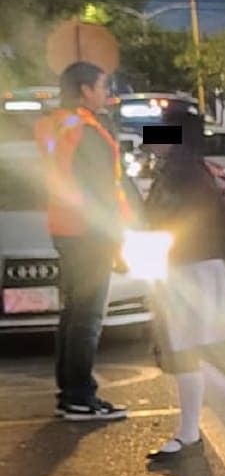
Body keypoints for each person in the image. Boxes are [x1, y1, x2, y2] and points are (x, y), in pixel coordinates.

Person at [143, 121, 225, 459]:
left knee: (180, 350)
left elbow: (181, 223)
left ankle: (192, 432)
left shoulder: (185, 175)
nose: (152, 142)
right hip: (187, 268)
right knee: (180, 349)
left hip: (191, 270)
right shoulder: (182, 171)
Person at [44, 61, 134, 421]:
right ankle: (80, 396)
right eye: (102, 86)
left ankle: (70, 391)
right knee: (88, 317)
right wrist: (118, 240)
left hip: (65, 226)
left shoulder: (58, 124)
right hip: (89, 231)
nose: (106, 93)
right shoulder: (89, 131)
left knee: (72, 313)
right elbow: (104, 192)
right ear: (85, 90)